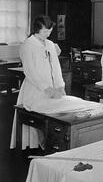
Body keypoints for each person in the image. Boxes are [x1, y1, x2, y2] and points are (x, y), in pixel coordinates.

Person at [10, 15, 65, 149]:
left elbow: (56, 67)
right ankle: (35, 146)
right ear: (37, 30)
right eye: (45, 31)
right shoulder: (28, 45)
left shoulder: (50, 44)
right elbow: (30, 72)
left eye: (49, 31)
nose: (48, 34)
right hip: (35, 88)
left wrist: (60, 86)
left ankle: (51, 145)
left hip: (52, 88)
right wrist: (47, 88)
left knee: (54, 117)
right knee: (36, 120)